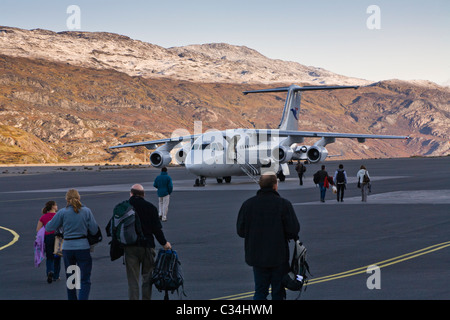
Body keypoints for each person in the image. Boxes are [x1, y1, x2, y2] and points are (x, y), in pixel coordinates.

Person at [237, 173, 300, 300]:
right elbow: (293, 230)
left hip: (257, 256)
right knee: (278, 292)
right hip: (278, 256)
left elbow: (241, 231)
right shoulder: (283, 204)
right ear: (275, 186)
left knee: (260, 291)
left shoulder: (248, 205)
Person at [45, 189, 98, 300]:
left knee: (71, 279)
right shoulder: (86, 211)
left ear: (67, 200)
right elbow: (94, 230)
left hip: (68, 248)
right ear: (79, 198)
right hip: (83, 247)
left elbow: (49, 227)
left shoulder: (62, 212)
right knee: (85, 279)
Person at [124, 184, 171, 300]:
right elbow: (157, 229)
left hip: (130, 247)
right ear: (143, 195)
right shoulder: (150, 207)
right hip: (147, 246)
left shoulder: (124, 207)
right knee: (147, 278)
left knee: (133, 280)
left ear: (131, 194)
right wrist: (164, 243)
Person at [36, 201, 61, 283]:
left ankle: (50, 271)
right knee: (57, 255)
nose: (57, 206)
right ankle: (56, 276)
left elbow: (38, 229)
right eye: (56, 205)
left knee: (49, 257)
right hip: (57, 236)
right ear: (53, 206)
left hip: (48, 237)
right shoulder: (58, 215)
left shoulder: (43, 217)